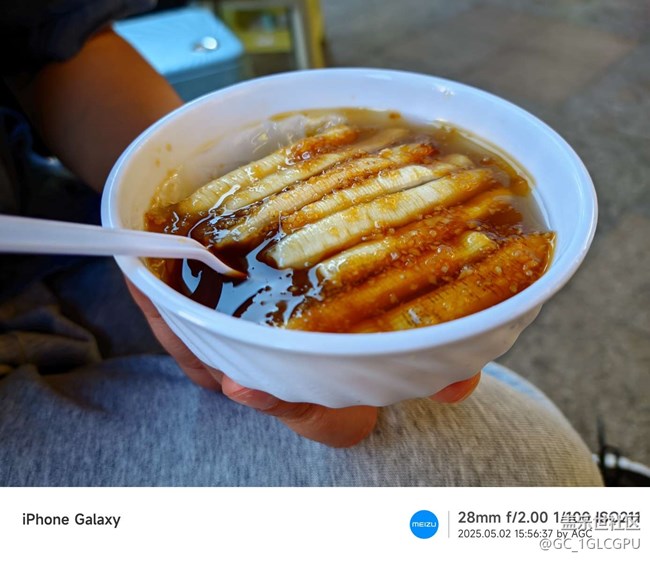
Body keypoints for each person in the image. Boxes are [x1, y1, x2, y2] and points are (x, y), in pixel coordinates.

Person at [0, 0, 603, 485]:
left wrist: (183, 214)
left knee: (502, 407)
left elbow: (51, 39)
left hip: (58, 247)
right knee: (535, 466)